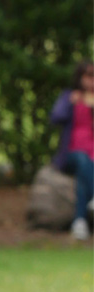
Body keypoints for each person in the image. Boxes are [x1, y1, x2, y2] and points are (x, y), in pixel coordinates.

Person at [50, 60, 94, 240]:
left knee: (84, 176)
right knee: (83, 161)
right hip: (72, 154)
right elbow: (55, 118)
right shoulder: (69, 96)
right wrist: (70, 104)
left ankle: (79, 222)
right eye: (89, 76)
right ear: (80, 77)